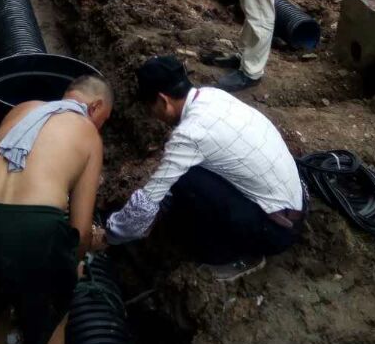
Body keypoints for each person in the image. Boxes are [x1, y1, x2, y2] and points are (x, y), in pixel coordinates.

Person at [0, 75, 113, 344]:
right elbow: (80, 230)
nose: (99, 127)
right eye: (102, 120)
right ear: (95, 106)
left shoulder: (22, 109)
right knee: (51, 322)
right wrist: (73, 264)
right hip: (35, 231)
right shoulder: (88, 135)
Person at [100, 56, 305, 282]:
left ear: (163, 100)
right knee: (186, 178)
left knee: (186, 181)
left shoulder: (190, 134)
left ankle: (231, 256)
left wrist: (109, 236)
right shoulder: (212, 96)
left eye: (151, 108)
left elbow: (145, 205)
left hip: (274, 231)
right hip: (292, 205)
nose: (153, 116)